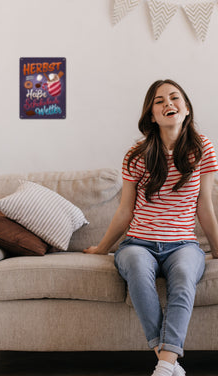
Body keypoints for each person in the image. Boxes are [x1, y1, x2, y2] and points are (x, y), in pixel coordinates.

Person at [84, 79, 218, 376]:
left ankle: (164, 365)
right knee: (135, 268)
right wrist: (102, 248)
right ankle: (168, 362)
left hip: (183, 245)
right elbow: (125, 211)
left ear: (186, 109)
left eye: (174, 98)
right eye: (159, 101)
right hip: (138, 244)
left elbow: (204, 206)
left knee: (184, 275)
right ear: (152, 115)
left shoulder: (203, 149)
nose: (168, 103)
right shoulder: (137, 154)